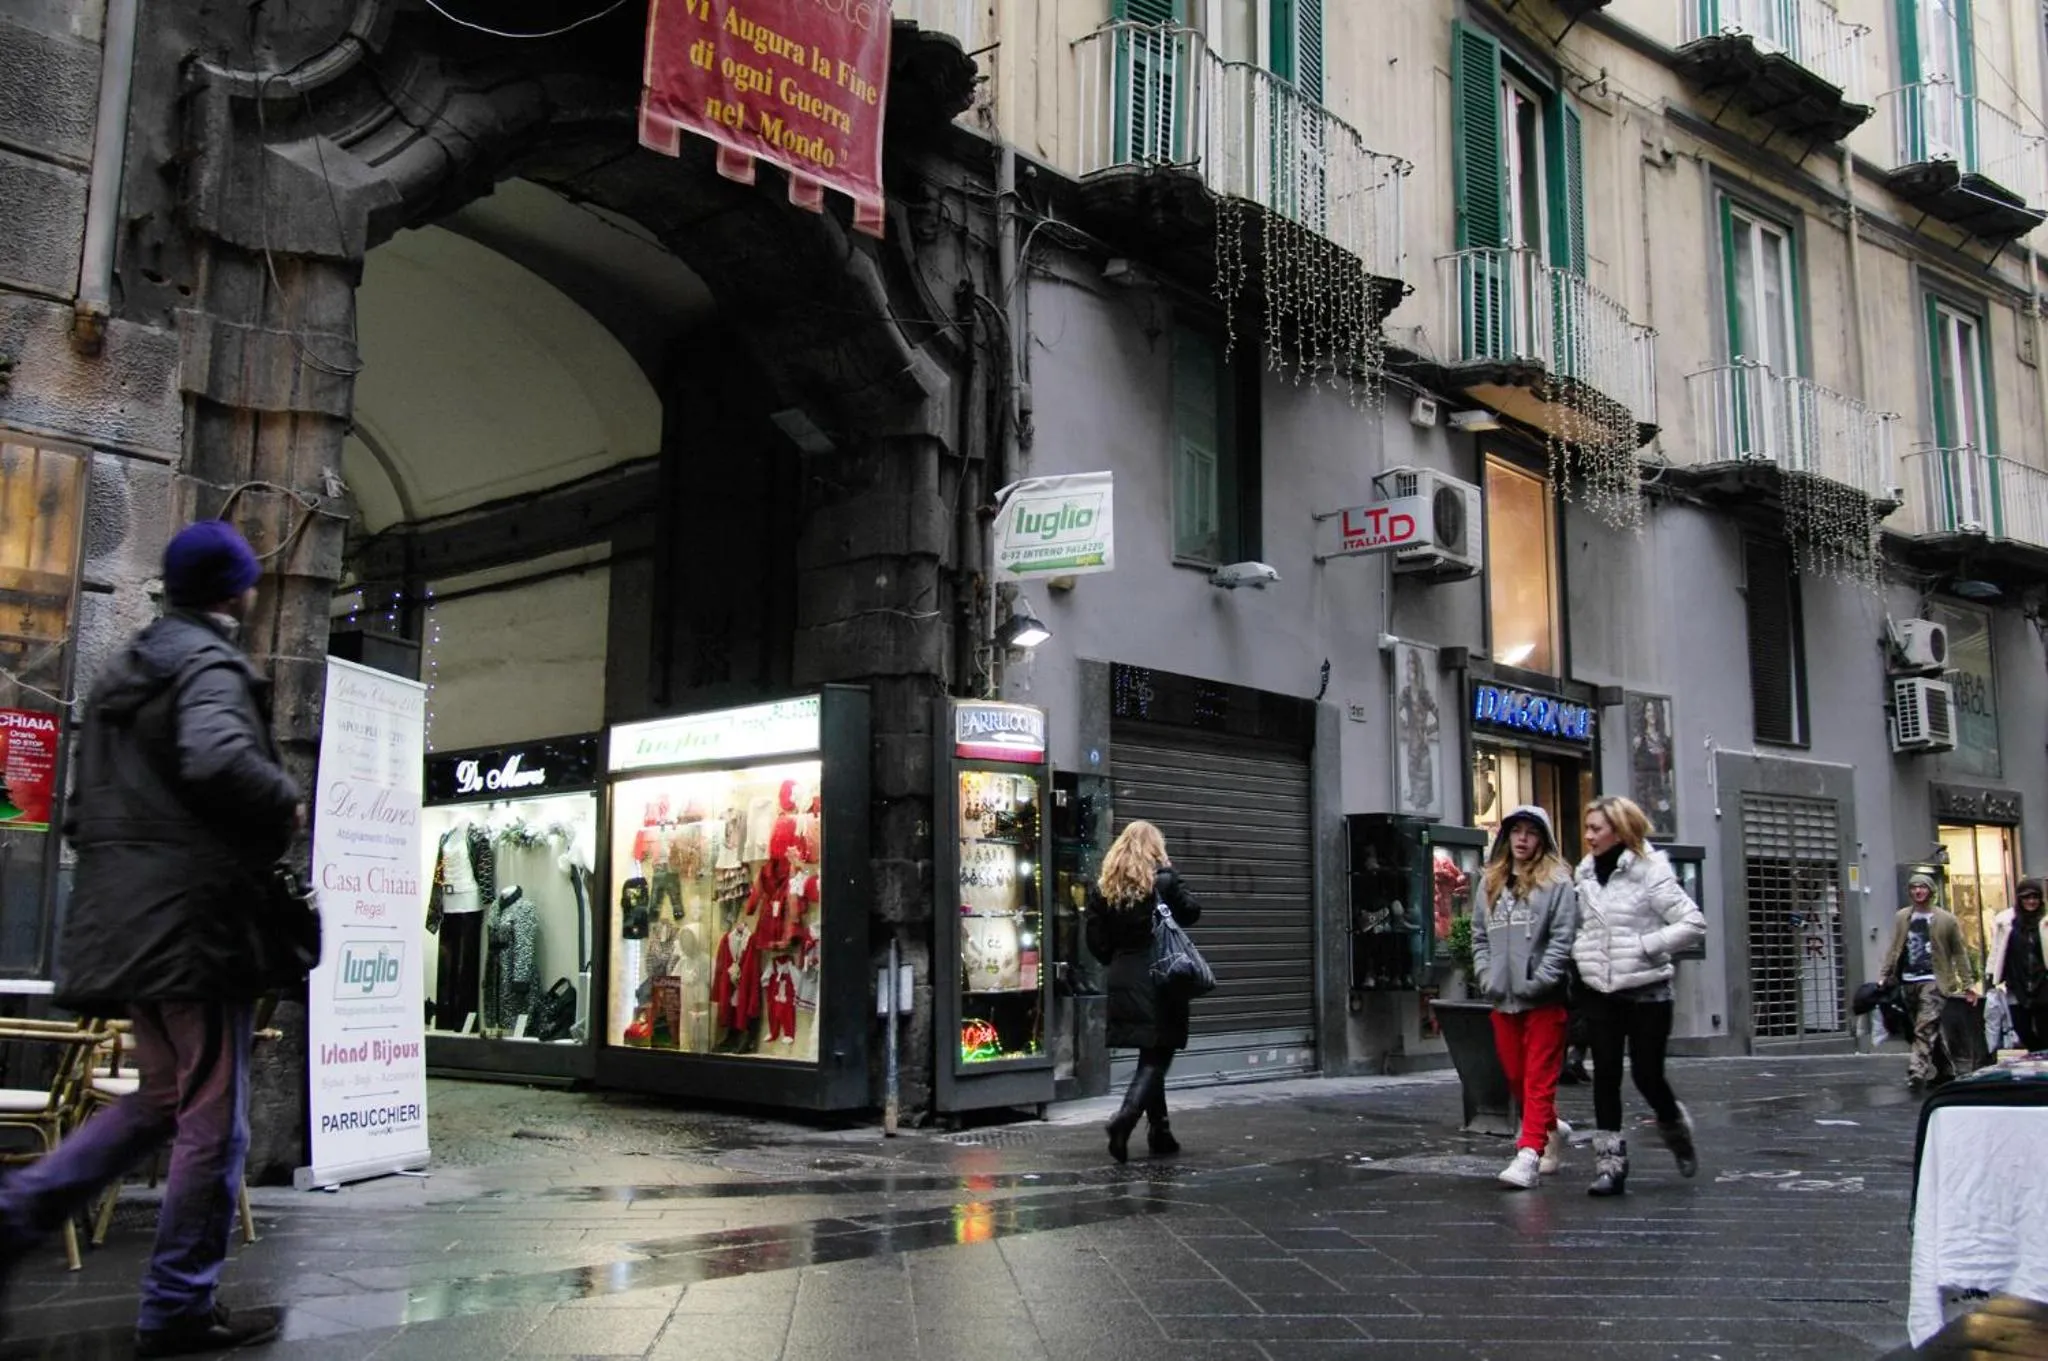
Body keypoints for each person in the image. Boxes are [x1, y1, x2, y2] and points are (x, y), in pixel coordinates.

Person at [0, 521, 299, 1356]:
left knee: (163, 1098)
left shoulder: (123, 673)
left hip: (129, 925)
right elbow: (218, 759)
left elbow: (80, 812)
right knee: (215, 1122)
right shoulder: (206, 662)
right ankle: (177, 1307)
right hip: (193, 930)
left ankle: (16, 1214)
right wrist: (285, 799)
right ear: (232, 588)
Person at [1572, 795, 1707, 1197]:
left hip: (1647, 990)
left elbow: (1693, 923)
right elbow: (1584, 927)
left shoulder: (1652, 870)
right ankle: (1610, 1165)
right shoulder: (1585, 874)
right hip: (1601, 989)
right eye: (1588, 827)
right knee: (1605, 1077)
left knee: (1648, 1076)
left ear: (1620, 829)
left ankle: (1675, 1129)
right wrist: (1582, 954)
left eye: (1596, 828)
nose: (1588, 835)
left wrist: (1647, 945)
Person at [1469, 805, 1578, 1189]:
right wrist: (1486, 977)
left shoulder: (1558, 883)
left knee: (1538, 1079)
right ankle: (1552, 1126)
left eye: (1531, 832)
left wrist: (1541, 980)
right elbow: (1479, 937)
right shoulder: (1490, 882)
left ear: (1542, 839)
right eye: (1516, 831)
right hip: (1502, 999)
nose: (1522, 839)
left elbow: (1563, 940)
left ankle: (1528, 1154)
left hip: (1543, 1002)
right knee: (1517, 1078)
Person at [1085, 819, 1203, 1163]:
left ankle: (1161, 1131)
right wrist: (1171, 882)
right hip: (1160, 977)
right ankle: (1125, 1119)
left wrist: (1117, 958)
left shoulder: (1104, 889)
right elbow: (1192, 913)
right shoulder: (1163, 881)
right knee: (1158, 1055)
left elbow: (1096, 941)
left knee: (1149, 1054)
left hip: (1123, 976)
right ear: (1154, 848)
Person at [1881, 873, 1978, 1087]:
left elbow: (1959, 953)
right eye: (1914, 887)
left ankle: (1916, 1072)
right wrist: (1885, 975)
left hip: (1934, 982)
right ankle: (1946, 1069)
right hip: (1907, 982)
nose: (1917, 891)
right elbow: (1894, 948)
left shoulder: (1946, 919)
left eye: (1922, 887)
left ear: (1931, 891)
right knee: (1922, 1029)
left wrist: (1968, 983)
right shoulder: (1902, 917)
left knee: (1924, 1028)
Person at [1987, 878, 2048, 1051]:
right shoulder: (2008, 923)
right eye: (2026, 897)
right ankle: (2038, 1056)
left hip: (2043, 984)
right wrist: (1992, 974)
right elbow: (1998, 950)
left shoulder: (2045, 922)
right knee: (2022, 1029)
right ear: (2019, 899)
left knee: (2045, 1030)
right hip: (2017, 983)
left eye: (2035, 897)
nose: (2031, 901)